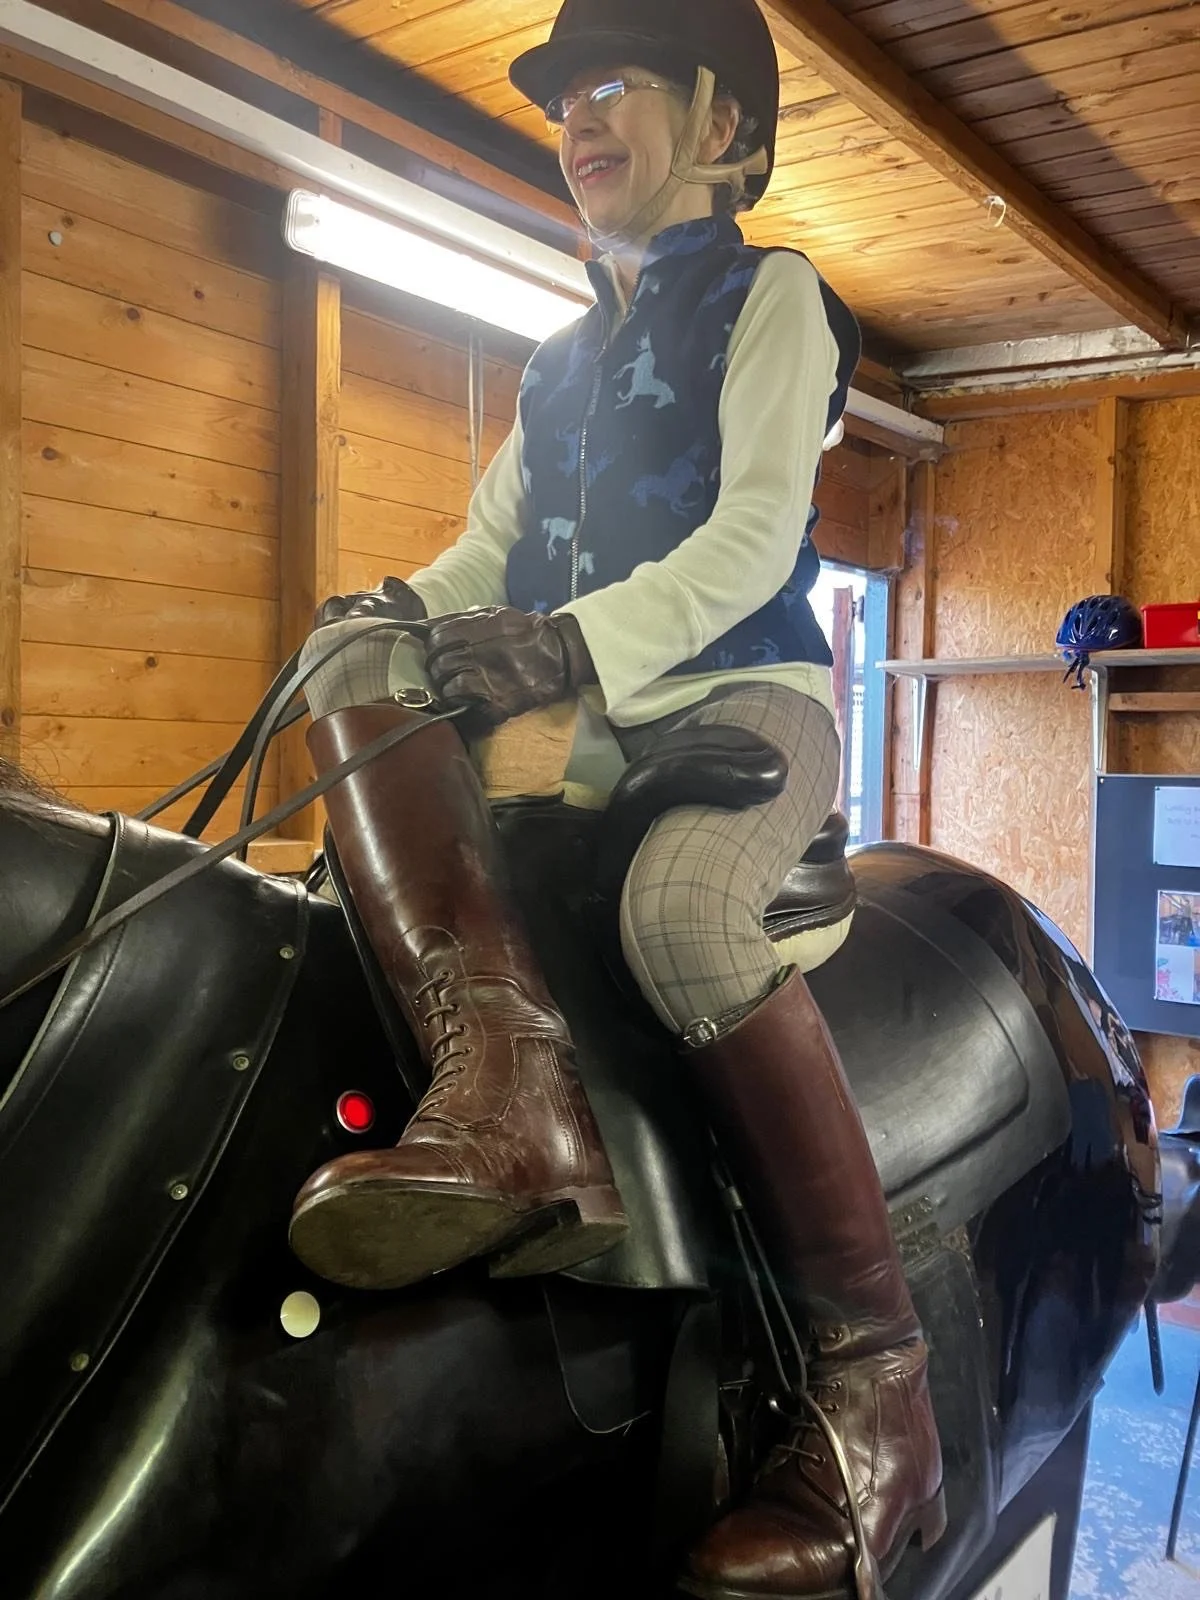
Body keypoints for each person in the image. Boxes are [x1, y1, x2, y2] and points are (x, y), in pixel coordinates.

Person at [288, 0, 944, 1592]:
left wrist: (561, 643)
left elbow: (748, 541)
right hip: (577, 707)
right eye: (569, 99)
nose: (583, 120)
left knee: (681, 914)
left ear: (722, 129)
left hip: (747, 699)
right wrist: (394, 615)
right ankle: (508, 1097)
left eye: (619, 88)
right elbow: (481, 558)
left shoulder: (777, 301)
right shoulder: (559, 359)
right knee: (350, 675)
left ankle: (878, 1389)